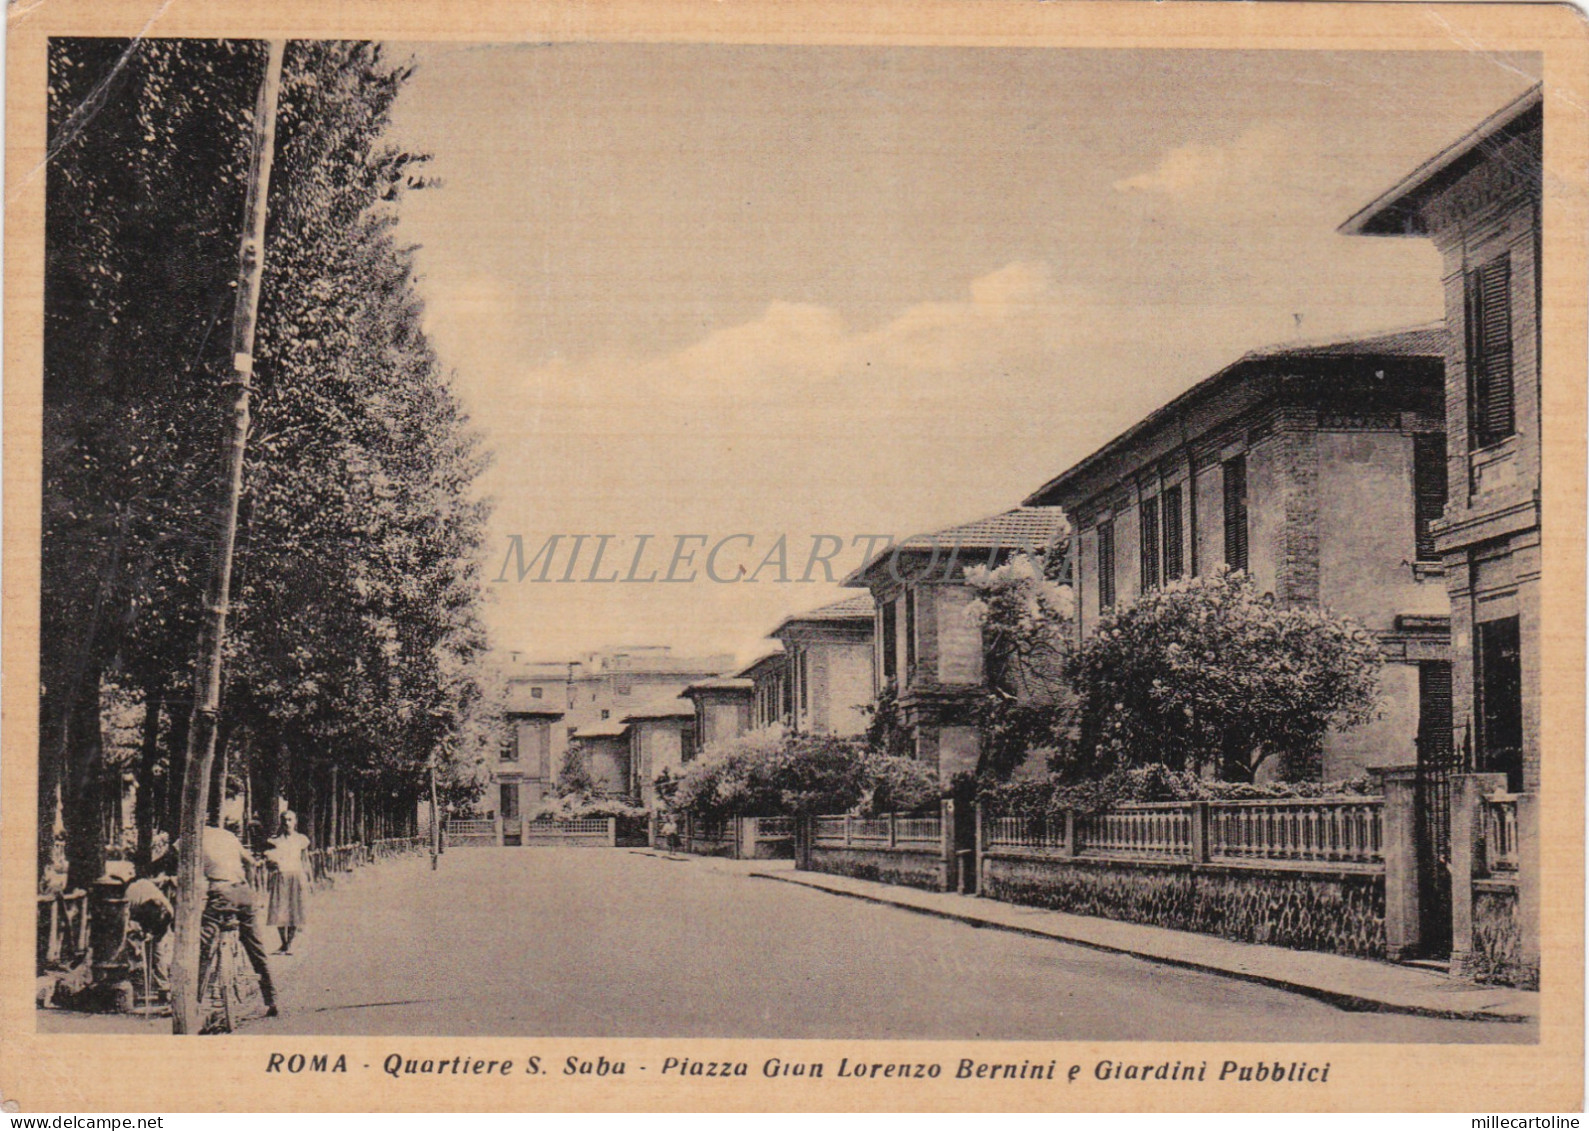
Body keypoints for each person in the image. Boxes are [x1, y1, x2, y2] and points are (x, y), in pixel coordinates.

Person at [193, 818, 278, 1017]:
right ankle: (271, 998)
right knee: (255, 945)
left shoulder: (191, 838)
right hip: (242, 891)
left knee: (204, 944)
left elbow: (171, 863)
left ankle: (193, 999)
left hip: (220, 892)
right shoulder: (228, 836)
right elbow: (250, 862)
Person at [265, 811, 311, 954]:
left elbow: (305, 860)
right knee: (280, 909)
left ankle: (289, 944)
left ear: (295, 821)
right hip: (280, 876)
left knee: (294, 910)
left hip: (296, 875)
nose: (287, 823)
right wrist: (271, 865)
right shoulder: (275, 841)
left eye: (290, 820)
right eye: (284, 820)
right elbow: (268, 861)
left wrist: (309, 879)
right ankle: (283, 943)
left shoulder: (301, 840)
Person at [124, 872, 174, 996]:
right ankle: (133, 983)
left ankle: (164, 987)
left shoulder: (168, 911)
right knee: (130, 952)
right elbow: (123, 923)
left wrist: (152, 935)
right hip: (133, 916)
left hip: (152, 918)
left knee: (158, 952)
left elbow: (161, 930)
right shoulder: (130, 897)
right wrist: (135, 944)